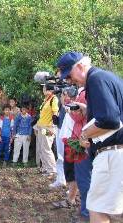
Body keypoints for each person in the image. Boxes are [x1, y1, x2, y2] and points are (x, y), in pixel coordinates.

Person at [57, 51, 123, 223]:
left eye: (69, 75)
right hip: (118, 153)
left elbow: (110, 120)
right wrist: (86, 110)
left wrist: (84, 134)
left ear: (79, 66)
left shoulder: (95, 79)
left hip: (112, 154)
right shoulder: (109, 77)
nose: (70, 81)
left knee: (97, 210)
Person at [35, 84, 58, 177]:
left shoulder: (54, 99)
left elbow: (55, 113)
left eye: (44, 88)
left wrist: (52, 128)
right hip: (41, 126)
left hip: (48, 127)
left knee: (47, 148)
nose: (43, 90)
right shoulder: (45, 100)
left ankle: (52, 170)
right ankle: (45, 168)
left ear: (50, 90)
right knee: (41, 147)